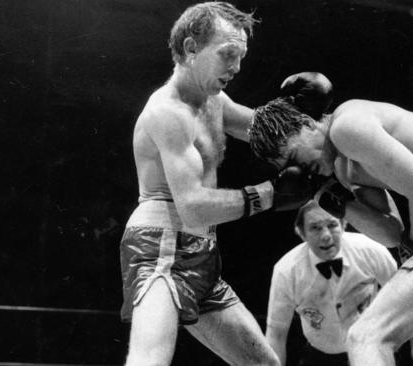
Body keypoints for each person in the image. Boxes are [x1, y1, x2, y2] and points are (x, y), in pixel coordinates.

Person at [248, 72, 413, 366]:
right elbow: (391, 233)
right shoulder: (344, 168)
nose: (300, 169)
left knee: (366, 336)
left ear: (308, 123)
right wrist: (333, 199)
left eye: (293, 157)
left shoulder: (346, 125)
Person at [120, 5, 320, 366]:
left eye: (241, 56)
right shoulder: (169, 112)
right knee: (148, 360)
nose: (237, 67)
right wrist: (270, 194)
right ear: (192, 47)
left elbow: (268, 135)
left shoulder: (213, 101)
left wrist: (307, 119)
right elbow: (192, 206)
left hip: (202, 255)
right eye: (228, 54)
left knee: (264, 364)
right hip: (161, 248)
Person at [266, 201, 413, 366]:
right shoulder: (286, 270)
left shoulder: (371, 250)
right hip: (321, 354)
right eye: (315, 228)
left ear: (343, 225)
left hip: (371, 345)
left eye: (332, 225)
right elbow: (277, 332)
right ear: (301, 233)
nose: (325, 236)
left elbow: (406, 299)